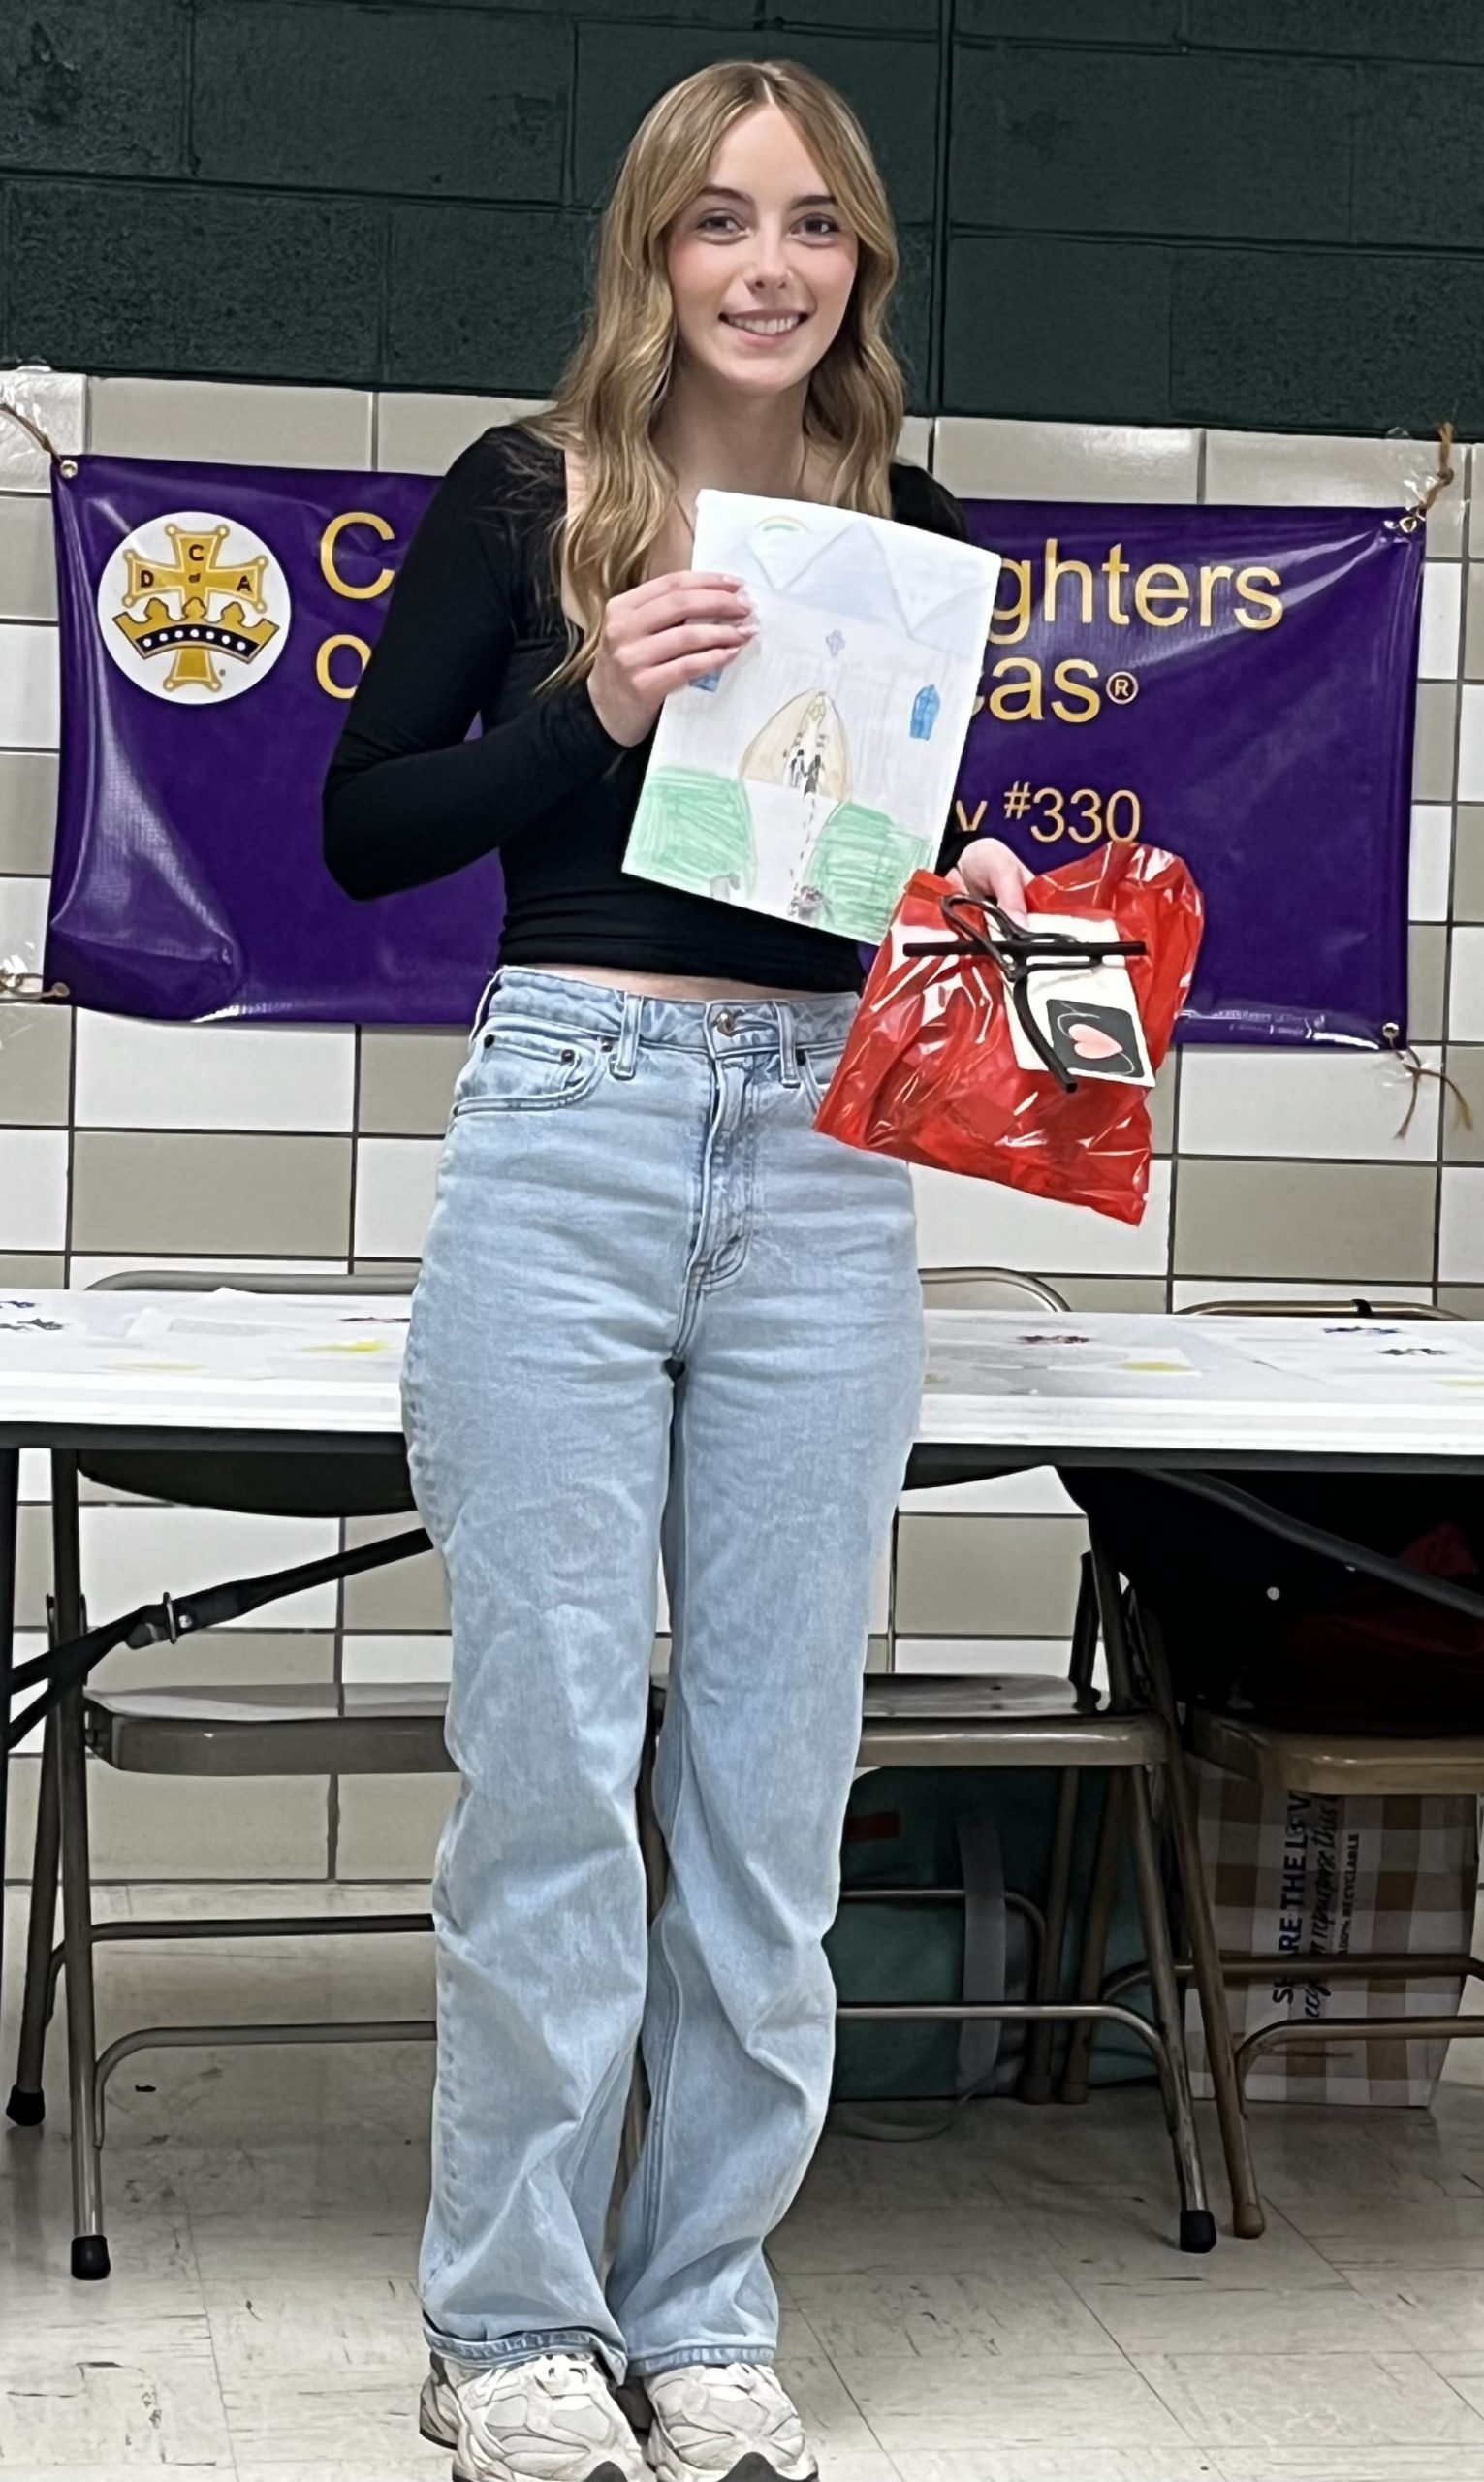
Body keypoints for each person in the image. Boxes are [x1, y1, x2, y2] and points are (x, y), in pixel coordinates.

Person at [323, 56, 1028, 2482]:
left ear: (859, 267)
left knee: (766, 1788)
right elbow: (366, 827)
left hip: (824, 1159)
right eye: (719, 218)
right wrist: (593, 698)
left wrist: (971, 885)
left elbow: (862, 852)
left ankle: (702, 2304)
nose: (766, 263)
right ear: (650, 249)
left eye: (811, 223)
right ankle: (513, 2320)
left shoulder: (910, 530)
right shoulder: (529, 494)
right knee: (545, 1766)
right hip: (575, 1121)